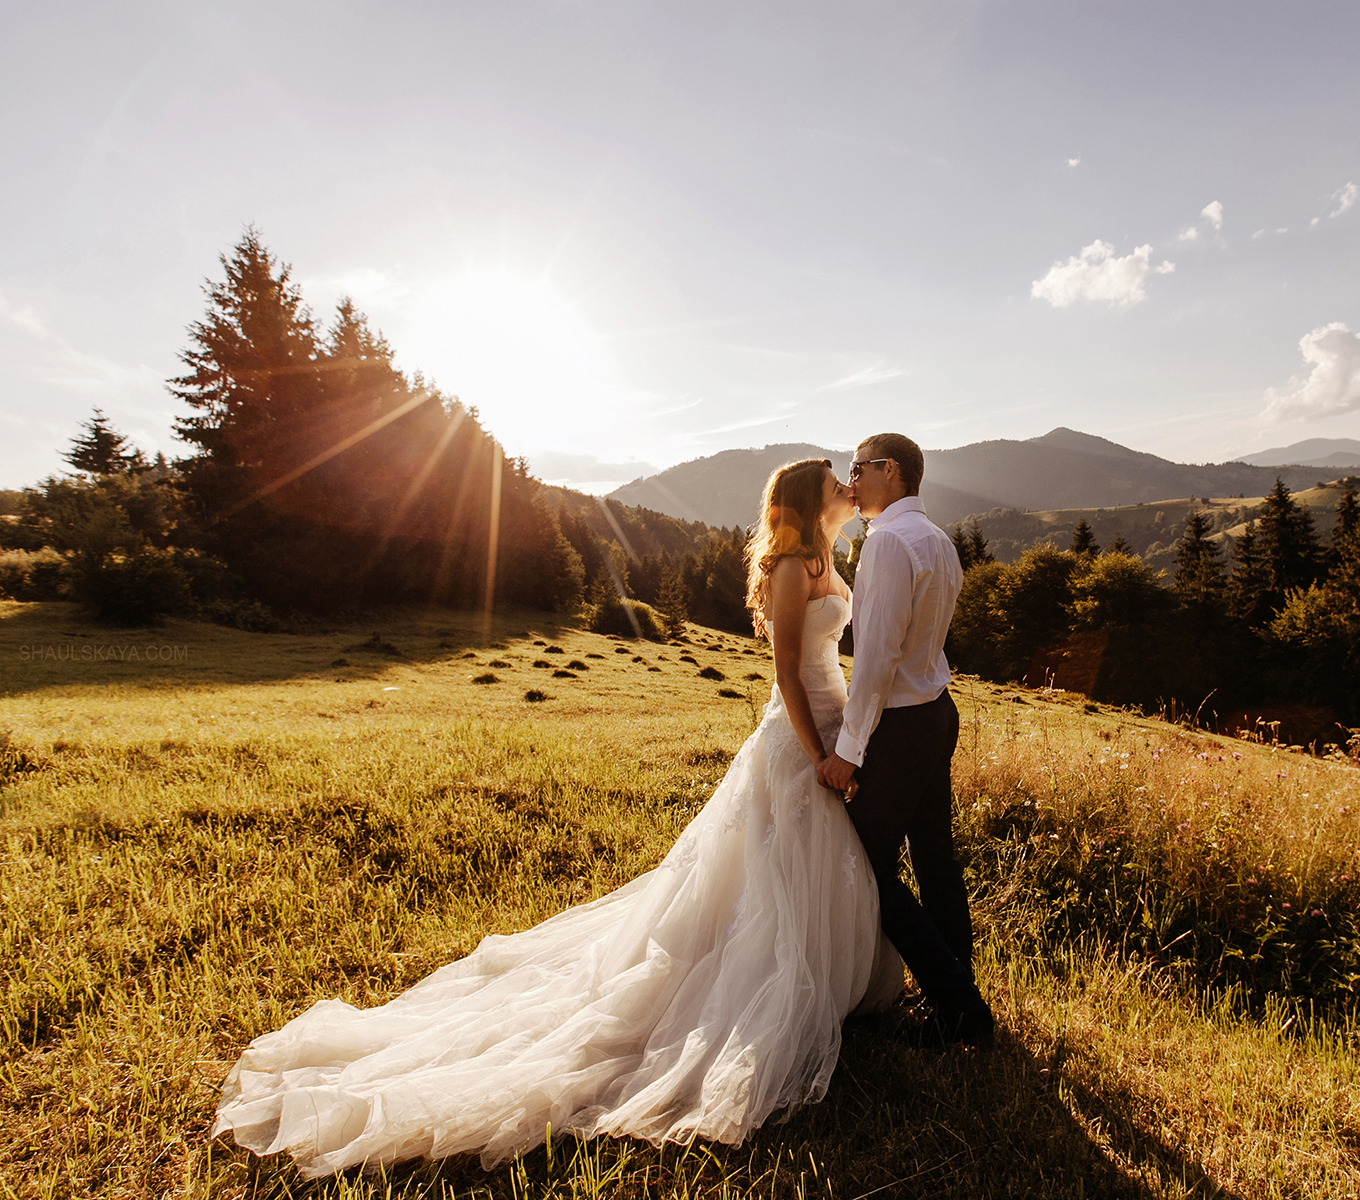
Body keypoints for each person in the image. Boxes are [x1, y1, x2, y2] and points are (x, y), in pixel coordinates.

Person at [211, 459, 901, 1177]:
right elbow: (788, 671)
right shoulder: (792, 568)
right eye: (833, 483)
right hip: (799, 735)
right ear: (805, 500)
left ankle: (824, 982)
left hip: (830, 721)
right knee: (773, 873)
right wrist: (821, 749)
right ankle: (764, 994)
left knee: (802, 867)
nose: (845, 488)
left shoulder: (826, 554)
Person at [818, 434, 994, 1046]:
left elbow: (875, 659)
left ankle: (960, 1005)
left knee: (865, 862)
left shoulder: (890, 541)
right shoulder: (937, 539)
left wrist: (848, 749)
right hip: (935, 713)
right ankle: (957, 998)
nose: (851, 479)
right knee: (935, 860)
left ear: (889, 471)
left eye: (858, 468)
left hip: (901, 723)